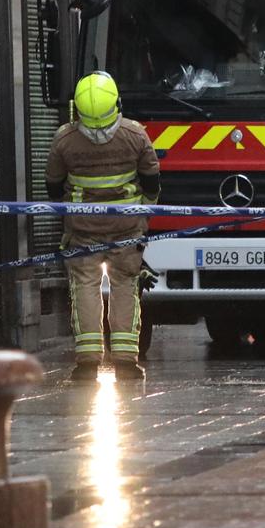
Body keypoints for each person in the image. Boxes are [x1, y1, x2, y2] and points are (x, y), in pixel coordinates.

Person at [46, 71, 162, 383]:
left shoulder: (65, 139)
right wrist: (142, 214)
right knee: (125, 286)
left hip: (82, 229)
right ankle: (125, 361)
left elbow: (53, 188)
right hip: (127, 229)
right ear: (116, 103)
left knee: (85, 286)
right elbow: (152, 182)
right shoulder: (135, 135)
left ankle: (87, 362)